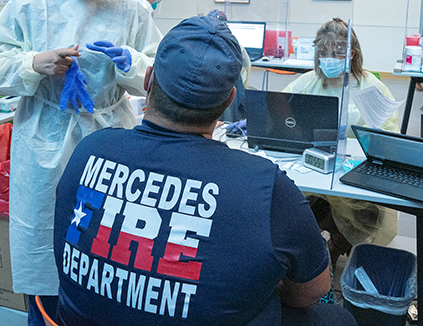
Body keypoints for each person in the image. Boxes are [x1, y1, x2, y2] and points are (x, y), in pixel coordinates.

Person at [52, 16, 356, 326]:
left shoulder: (90, 150)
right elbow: (311, 291)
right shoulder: (266, 186)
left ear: (147, 80)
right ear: (229, 100)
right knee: (336, 319)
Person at [0, 0, 161, 325]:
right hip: (46, 136)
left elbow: (156, 75)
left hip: (110, 135)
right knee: (46, 234)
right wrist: (33, 63)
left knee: (112, 241)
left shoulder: (132, 12)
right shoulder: (28, 7)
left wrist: (131, 62)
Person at [283, 18, 398, 266]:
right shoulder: (308, 82)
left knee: (365, 211)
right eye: (323, 53)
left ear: (352, 53)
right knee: (292, 206)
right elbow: (280, 109)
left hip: (352, 175)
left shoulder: (370, 87)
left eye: (336, 53)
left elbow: (388, 136)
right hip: (312, 171)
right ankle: (312, 252)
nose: (329, 59)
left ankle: (334, 246)